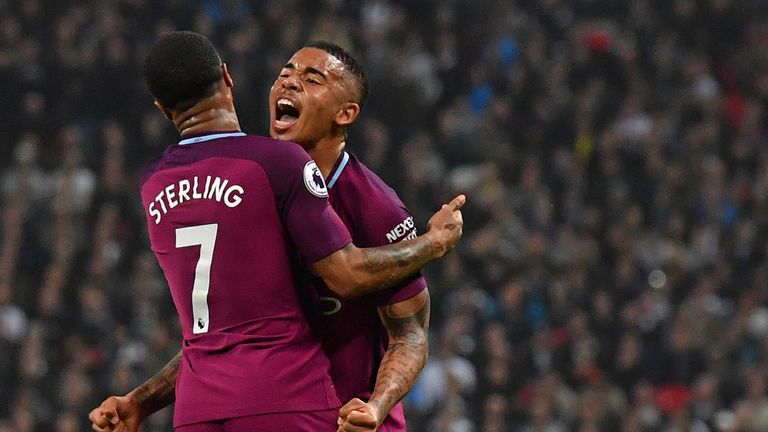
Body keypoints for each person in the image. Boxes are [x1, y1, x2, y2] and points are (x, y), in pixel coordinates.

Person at [89, 31, 464, 432]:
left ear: (345, 113)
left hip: (351, 418)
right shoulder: (257, 182)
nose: (289, 81)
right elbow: (232, 333)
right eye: (286, 72)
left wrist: (376, 405)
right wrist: (142, 401)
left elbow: (409, 334)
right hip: (283, 405)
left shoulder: (375, 206)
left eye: (312, 79)